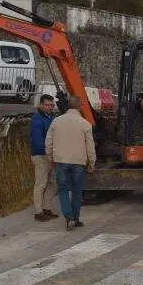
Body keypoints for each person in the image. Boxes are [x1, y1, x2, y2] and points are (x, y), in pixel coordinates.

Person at [45, 95, 96, 230]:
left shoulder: (56, 121)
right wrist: (91, 162)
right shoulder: (85, 124)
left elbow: (48, 142)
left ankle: (69, 217)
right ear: (79, 107)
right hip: (79, 162)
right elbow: (90, 146)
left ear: (68, 105)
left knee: (63, 190)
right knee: (77, 191)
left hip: (61, 161)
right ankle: (76, 218)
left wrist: (50, 158)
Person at [30, 94, 58, 222]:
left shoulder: (52, 118)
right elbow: (37, 141)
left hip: (51, 155)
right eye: (47, 105)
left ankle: (47, 208)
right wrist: (49, 153)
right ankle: (38, 211)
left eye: (51, 105)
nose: (50, 107)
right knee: (40, 184)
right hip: (41, 155)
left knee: (53, 183)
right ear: (41, 105)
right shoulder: (37, 119)